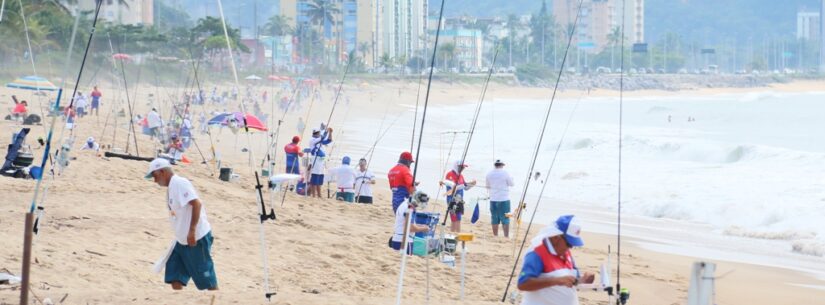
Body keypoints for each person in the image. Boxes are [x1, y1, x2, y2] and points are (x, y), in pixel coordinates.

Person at [145, 158, 218, 291]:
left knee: (206, 277)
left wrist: (192, 231)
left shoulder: (180, 183)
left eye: (154, 176)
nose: (154, 181)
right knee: (174, 275)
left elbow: (197, 204)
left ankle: (217, 299)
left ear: (162, 172)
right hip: (181, 240)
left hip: (196, 238)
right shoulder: (171, 187)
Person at [517, 215, 594, 305]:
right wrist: (556, 281)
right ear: (556, 237)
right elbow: (523, 284)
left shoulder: (565, 252)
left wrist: (583, 280)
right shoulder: (536, 253)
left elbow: (571, 281)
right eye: (569, 244)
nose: (571, 247)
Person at [443, 160, 476, 233]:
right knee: (454, 219)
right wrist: (466, 184)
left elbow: (465, 188)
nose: (462, 169)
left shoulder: (461, 176)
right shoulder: (450, 174)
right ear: (456, 166)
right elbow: (453, 188)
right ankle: (452, 235)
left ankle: (457, 235)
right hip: (451, 200)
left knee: (459, 218)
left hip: (460, 200)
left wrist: (472, 184)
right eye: (461, 167)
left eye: (463, 167)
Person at [486, 159, 514, 237]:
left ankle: (495, 235)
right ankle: (506, 236)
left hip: (493, 200)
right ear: (502, 165)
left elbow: (487, 187)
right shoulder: (505, 173)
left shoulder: (489, 174)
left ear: (495, 165)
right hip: (504, 199)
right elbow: (511, 184)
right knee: (506, 218)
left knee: (494, 218)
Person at [307, 126, 333, 198]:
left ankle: (319, 195)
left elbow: (329, 140)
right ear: (314, 134)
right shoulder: (312, 140)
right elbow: (322, 137)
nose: (317, 134)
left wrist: (330, 132)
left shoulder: (320, 141)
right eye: (316, 133)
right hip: (316, 161)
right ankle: (314, 196)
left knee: (319, 179)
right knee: (314, 179)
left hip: (321, 162)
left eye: (318, 133)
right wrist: (326, 131)